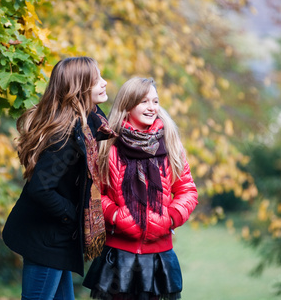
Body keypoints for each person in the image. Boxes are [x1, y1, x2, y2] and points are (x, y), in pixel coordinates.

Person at [2, 57, 115, 300]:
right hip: (46, 238)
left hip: (58, 237)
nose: (104, 83)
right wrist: (72, 215)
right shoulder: (65, 138)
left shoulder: (85, 124)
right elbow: (41, 189)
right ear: (79, 88)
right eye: (97, 80)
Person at [83, 77, 198, 300]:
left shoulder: (170, 143)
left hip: (159, 257)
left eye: (155, 101)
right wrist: (115, 216)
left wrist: (170, 217)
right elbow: (94, 192)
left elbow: (187, 191)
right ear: (127, 105)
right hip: (117, 256)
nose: (152, 107)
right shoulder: (107, 144)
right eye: (144, 101)